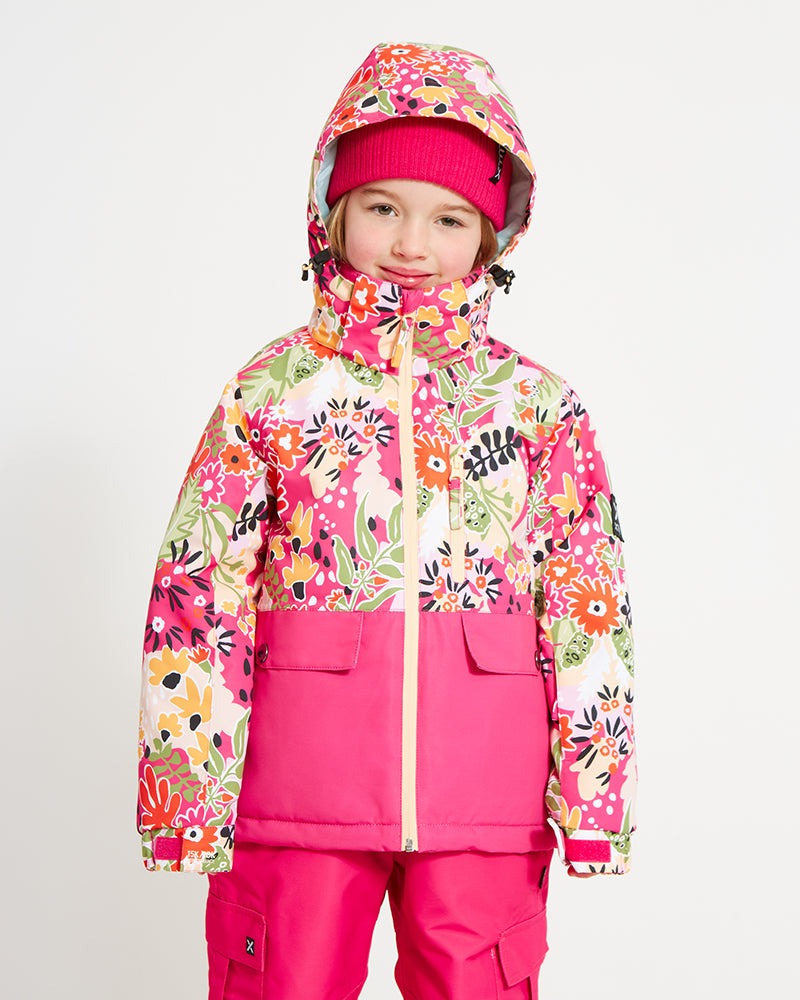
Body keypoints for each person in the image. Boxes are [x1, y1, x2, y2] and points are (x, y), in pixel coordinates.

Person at [137, 40, 636, 1000]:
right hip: (295, 793)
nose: (412, 244)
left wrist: (595, 797)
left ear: (492, 236)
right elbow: (200, 593)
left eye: (449, 218)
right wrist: (185, 794)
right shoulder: (273, 391)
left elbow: (590, 606)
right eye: (382, 208)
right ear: (332, 212)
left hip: (484, 804)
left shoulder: (540, 408)